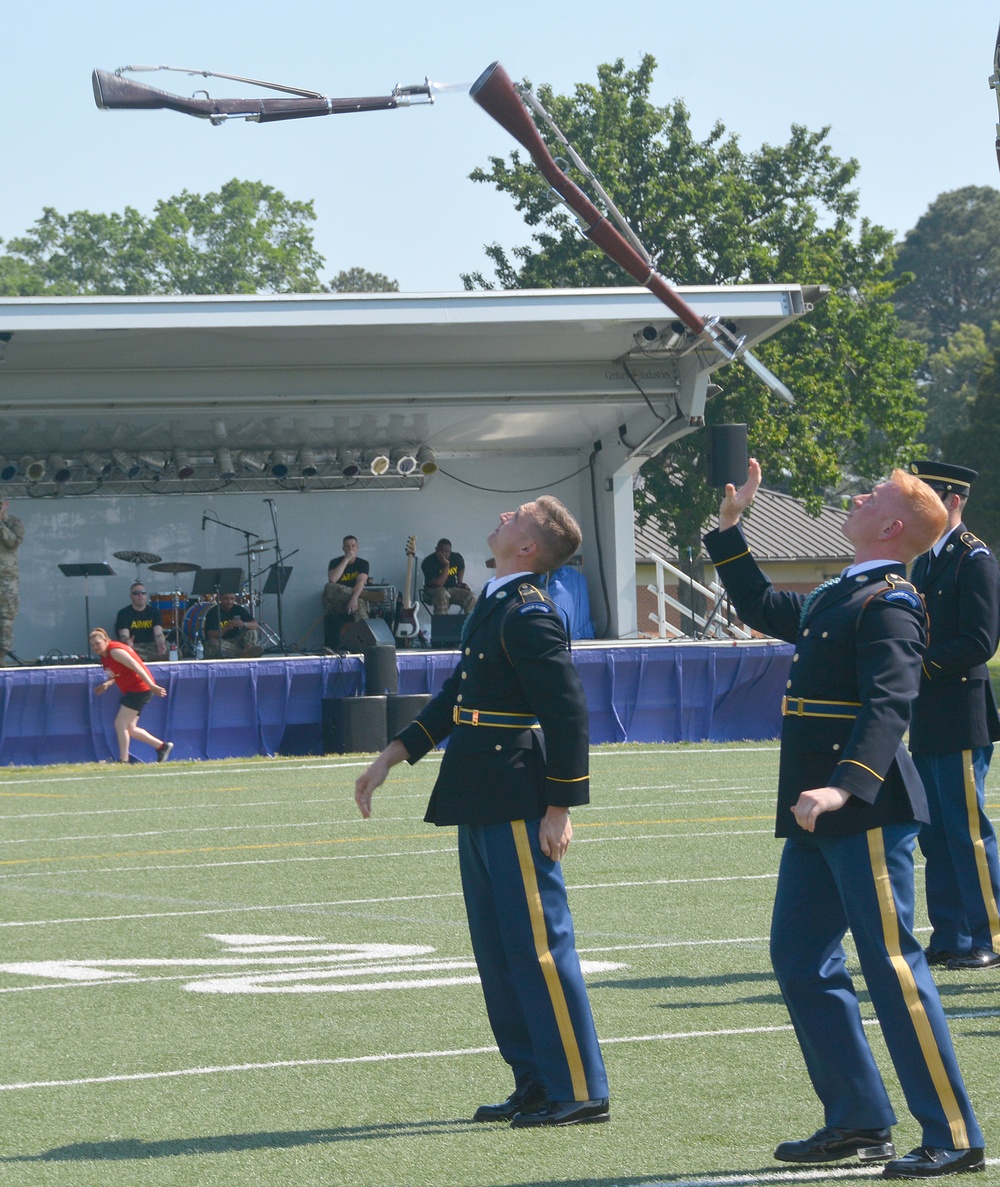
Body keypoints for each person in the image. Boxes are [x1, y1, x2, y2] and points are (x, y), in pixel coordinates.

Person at [704, 459, 985, 1179]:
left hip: (859, 809)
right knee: (799, 958)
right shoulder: (846, 590)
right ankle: (859, 1118)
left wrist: (844, 787)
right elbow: (765, 606)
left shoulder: (891, 600)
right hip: (817, 809)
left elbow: (890, 703)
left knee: (892, 968)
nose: (857, 496)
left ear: (892, 526)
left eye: (873, 495)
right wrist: (731, 531)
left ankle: (954, 1132)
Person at [355, 496, 609, 1128]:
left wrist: (560, 806)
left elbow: (568, 712)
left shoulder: (529, 613)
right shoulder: (497, 599)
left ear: (530, 547)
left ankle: (579, 1087)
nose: (503, 516)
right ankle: (535, 1080)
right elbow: (455, 696)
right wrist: (392, 754)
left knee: (538, 947)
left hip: (518, 789)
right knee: (499, 951)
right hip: (480, 785)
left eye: (518, 515)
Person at [908, 461, 1000, 971]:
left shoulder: (975, 558)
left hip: (962, 713)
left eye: (929, 498)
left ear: (954, 501)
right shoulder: (924, 562)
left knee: (966, 832)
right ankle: (950, 935)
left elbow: (980, 642)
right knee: (935, 834)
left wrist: (916, 666)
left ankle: (991, 934)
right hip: (928, 715)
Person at [89, 627, 173, 764]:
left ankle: (124, 760)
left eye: (97, 643)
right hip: (134, 690)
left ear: (106, 641)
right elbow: (119, 672)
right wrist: (108, 684)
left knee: (119, 723)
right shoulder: (105, 656)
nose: (95, 647)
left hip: (139, 689)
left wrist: (152, 685)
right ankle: (162, 747)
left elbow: (136, 666)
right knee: (130, 728)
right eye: (92, 645)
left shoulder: (115, 651)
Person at [323, 535, 369, 648]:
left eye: (353, 546)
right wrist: (346, 559)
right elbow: (333, 579)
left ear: (357, 547)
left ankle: (365, 642)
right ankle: (364, 595)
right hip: (335, 600)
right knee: (329, 587)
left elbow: (360, 582)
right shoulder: (335, 562)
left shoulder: (363, 563)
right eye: (347, 546)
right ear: (343, 548)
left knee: (360, 603)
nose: (350, 549)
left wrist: (354, 599)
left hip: (354, 600)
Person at [420, 538, 476, 614]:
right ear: (436, 550)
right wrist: (446, 565)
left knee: (471, 597)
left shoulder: (456, 557)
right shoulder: (428, 562)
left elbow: (461, 567)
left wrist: (460, 582)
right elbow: (439, 584)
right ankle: (441, 623)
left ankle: (469, 623)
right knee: (442, 593)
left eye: (447, 552)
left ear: (450, 551)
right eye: (441, 551)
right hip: (431, 591)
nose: (444, 554)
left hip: (452, 589)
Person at [114, 582, 167, 662]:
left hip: (152, 645)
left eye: (143, 593)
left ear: (146, 596)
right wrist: (127, 641)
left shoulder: (155, 612)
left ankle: (145, 658)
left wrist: (160, 644)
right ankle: (149, 657)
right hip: (135, 646)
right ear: (131, 597)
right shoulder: (123, 613)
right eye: (136, 593)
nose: (140, 595)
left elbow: (158, 634)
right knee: (123, 652)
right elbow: (123, 636)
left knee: (176, 652)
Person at [0, 495, 24, 665]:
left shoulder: (14, 523)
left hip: (6, 579)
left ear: (5, 504)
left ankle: (1, 654)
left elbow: (13, 543)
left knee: (6, 617)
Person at [203, 591, 264, 658]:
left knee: (252, 631)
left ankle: (248, 649)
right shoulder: (213, 612)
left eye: (232, 599)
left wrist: (243, 624)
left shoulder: (238, 609)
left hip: (236, 641)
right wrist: (226, 627)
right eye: (226, 599)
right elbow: (210, 635)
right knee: (213, 643)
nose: (229, 602)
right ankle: (243, 653)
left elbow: (255, 625)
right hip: (222, 642)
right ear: (220, 599)